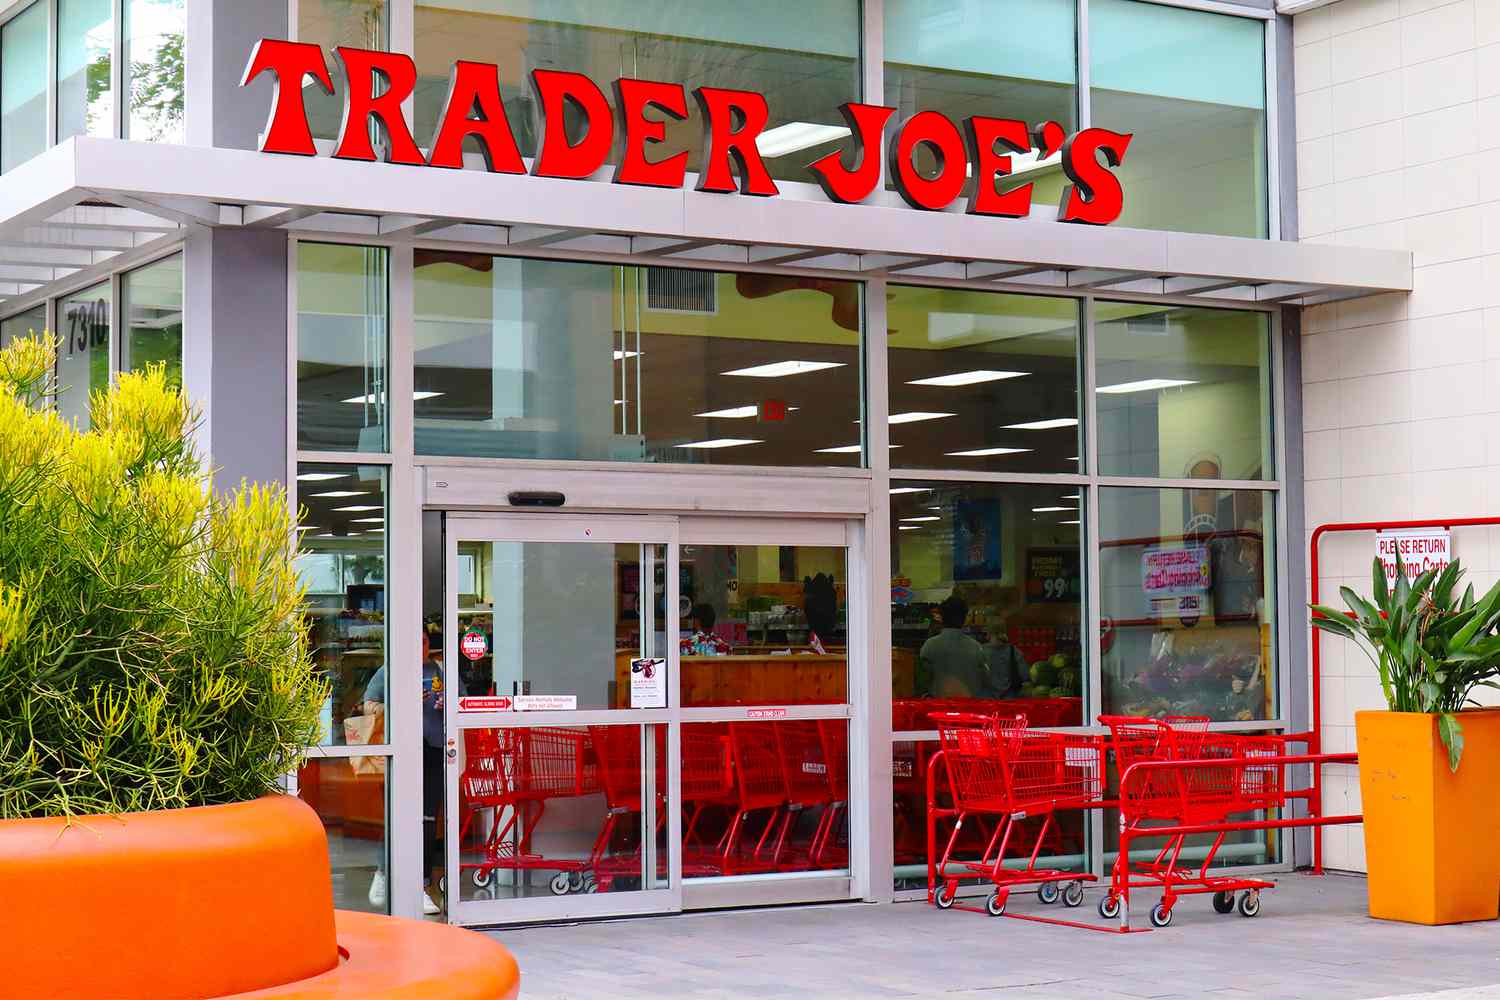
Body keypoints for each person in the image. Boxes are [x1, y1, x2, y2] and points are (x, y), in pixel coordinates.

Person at [362, 626, 445, 916]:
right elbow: (368, 705)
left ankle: (421, 886)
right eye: (414, 640)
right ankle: (384, 873)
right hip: (399, 753)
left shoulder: (441, 670)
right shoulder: (390, 670)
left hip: (434, 750)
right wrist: (401, 704)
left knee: (427, 819)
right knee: (395, 815)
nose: (419, 647)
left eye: (423, 641)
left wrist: (446, 704)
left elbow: (462, 703)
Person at [918, 594, 991, 698]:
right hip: (968, 707)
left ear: (942, 618)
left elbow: (923, 680)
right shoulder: (976, 647)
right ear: (965, 618)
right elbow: (986, 680)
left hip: (938, 707)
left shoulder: (929, 646)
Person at [984, 617, 1029, 698]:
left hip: (988, 699)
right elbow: (1025, 675)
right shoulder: (1015, 652)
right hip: (1009, 699)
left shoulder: (980, 651)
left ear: (988, 633)